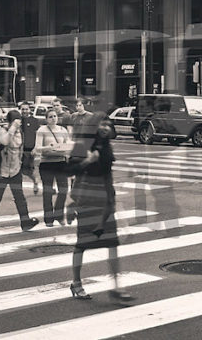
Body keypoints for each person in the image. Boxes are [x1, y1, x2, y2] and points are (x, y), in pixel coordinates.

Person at [68, 113, 134, 302]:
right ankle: (76, 282)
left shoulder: (106, 146)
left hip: (104, 203)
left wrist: (113, 202)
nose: (105, 127)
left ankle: (116, 287)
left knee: (112, 244)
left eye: (108, 124)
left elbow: (108, 177)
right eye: (102, 124)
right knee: (82, 245)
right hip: (87, 201)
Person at [0, 110, 40, 231]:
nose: (19, 124)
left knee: (19, 196)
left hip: (15, 169)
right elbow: (5, 141)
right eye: (17, 121)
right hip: (2, 170)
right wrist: (12, 128)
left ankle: (25, 221)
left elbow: (19, 147)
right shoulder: (2, 131)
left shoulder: (19, 132)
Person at [35, 109, 72, 226]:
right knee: (48, 191)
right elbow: (37, 148)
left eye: (55, 116)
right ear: (46, 119)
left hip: (61, 162)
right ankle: (49, 219)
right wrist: (49, 147)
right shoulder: (42, 130)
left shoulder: (63, 130)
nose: (53, 118)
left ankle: (59, 214)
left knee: (64, 189)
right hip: (47, 163)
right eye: (50, 117)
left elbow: (68, 144)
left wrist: (67, 149)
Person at [18, 101, 41, 195]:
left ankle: (35, 181)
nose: (24, 111)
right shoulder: (18, 121)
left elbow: (38, 135)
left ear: (29, 110)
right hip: (20, 150)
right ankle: (34, 181)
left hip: (31, 149)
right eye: (22, 109)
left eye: (26, 109)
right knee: (22, 170)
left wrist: (36, 148)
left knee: (28, 169)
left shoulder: (35, 121)